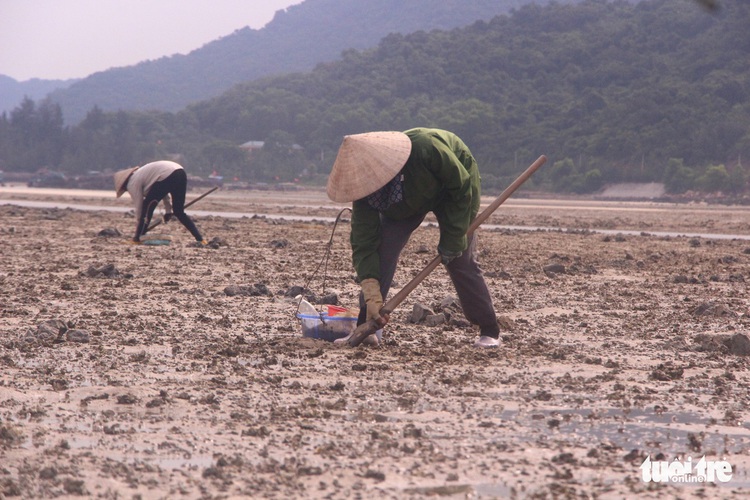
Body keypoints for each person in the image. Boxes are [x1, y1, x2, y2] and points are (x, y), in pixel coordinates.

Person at [326, 128, 501, 348]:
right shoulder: (366, 193)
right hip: (403, 203)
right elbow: (364, 243)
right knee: (382, 252)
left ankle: (489, 329)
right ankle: (367, 325)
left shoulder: (425, 147)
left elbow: (461, 187)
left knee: (459, 258)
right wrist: (371, 292)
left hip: (454, 191)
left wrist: (453, 239)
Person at [114, 160, 207, 245]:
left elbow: (140, 206)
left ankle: (137, 239)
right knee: (179, 211)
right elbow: (164, 193)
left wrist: (140, 221)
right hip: (180, 172)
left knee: (146, 207)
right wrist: (168, 211)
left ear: (123, 185)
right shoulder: (142, 175)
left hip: (167, 174)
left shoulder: (132, 182)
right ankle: (200, 239)